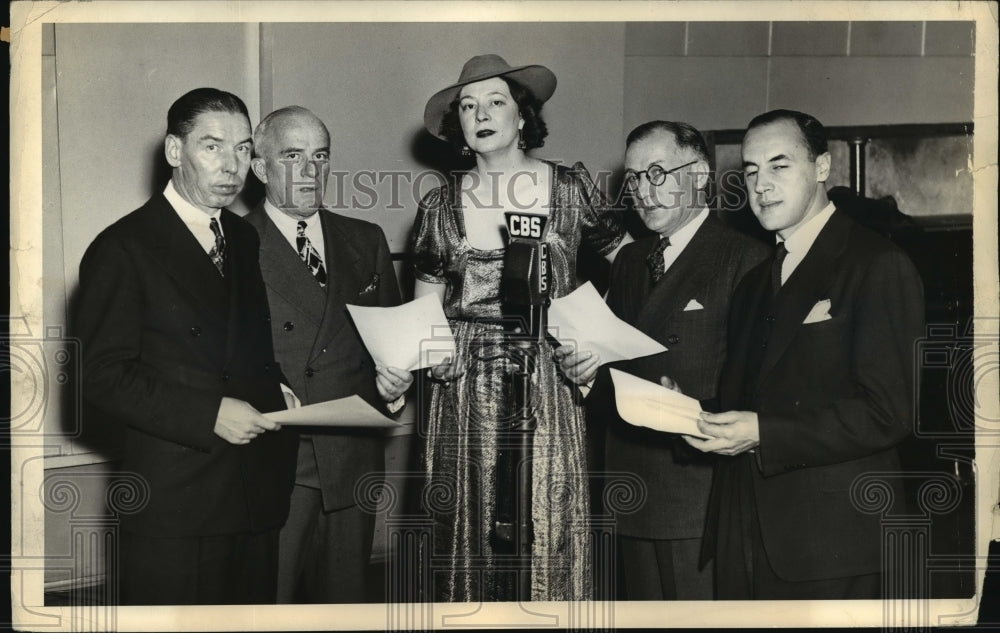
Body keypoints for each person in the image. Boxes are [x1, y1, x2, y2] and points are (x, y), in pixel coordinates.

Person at [411, 54, 631, 601]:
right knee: (468, 526)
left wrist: (597, 340)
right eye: (467, 105)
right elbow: (425, 310)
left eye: (495, 101)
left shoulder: (569, 188)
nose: (480, 113)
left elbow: (627, 266)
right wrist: (433, 351)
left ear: (522, 115)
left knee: (547, 524)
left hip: (551, 380)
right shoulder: (439, 207)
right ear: (457, 125)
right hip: (463, 391)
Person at [684, 109, 924, 599]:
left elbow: (890, 412)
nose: (761, 185)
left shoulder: (876, 264)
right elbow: (755, 395)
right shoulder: (755, 282)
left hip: (832, 544)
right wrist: (686, 413)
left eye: (779, 166)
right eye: (750, 171)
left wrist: (762, 434)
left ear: (821, 168)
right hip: (745, 538)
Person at [75, 88, 298, 605]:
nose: (231, 166)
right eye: (212, 146)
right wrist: (208, 413)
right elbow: (100, 375)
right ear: (175, 151)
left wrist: (277, 389)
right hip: (176, 503)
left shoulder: (243, 238)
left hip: (253, 492)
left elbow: (245, 347)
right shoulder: (122, 247)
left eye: (243, 149)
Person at [557, 121, 769, 600]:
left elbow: (759, 387)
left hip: (697, 490)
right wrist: (586, 374)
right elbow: (613, 360)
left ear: (698, 174)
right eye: (633, 179)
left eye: (656, 173)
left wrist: (690, 407)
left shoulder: (746, 259)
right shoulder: (632, 261)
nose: (642, 192)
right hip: (629, 482)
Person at [244, 106, 412, 603]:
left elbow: (392, 338)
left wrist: (398, 384)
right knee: (269, 601)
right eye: (292, 156)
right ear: (259, 167)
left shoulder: (365, 239)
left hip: (352, 456)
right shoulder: (234, 245)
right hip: (277, 458)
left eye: (320, 156)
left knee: (346, 600)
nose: (310, 171)